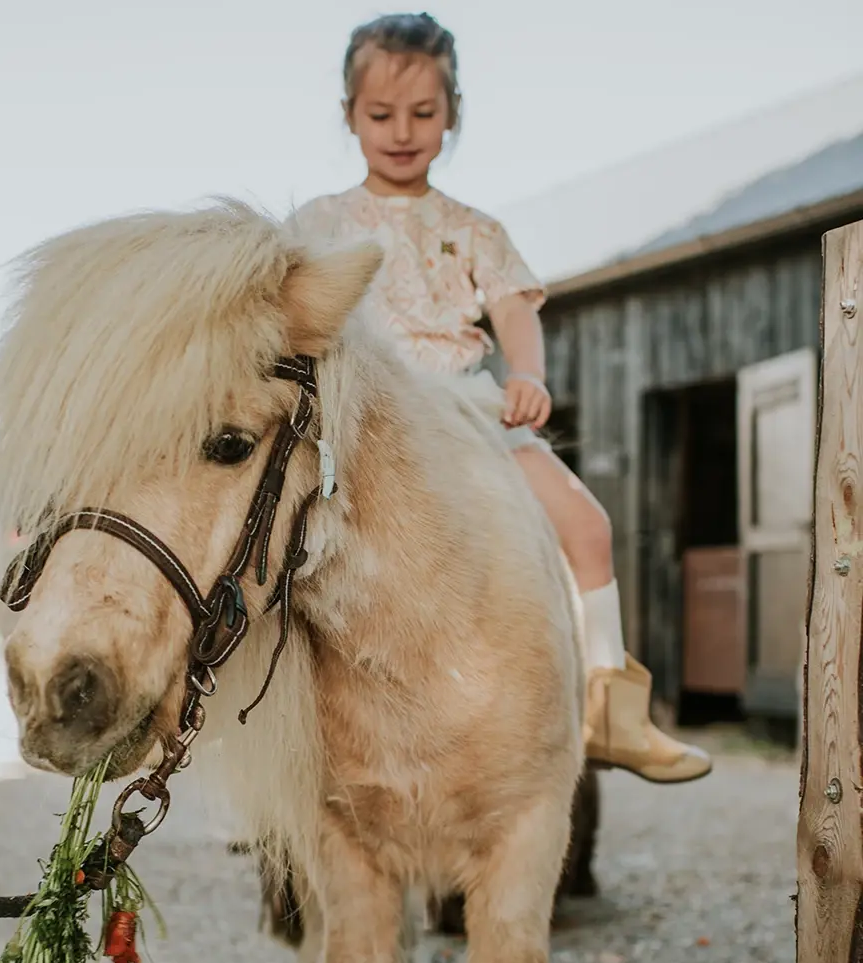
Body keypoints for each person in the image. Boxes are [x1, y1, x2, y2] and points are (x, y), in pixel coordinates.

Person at [288, 11, 710, 784]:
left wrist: (527, 374)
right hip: (363, 417)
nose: (403, 131)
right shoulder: (320, 222)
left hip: (464, 411)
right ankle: (279, 739)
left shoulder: (473, 228)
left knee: (586, 522)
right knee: (278, 535)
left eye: (424, 113)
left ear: (453, 114)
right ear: (349, 115)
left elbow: (515, 306)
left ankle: (610, 711)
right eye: (381, 114)